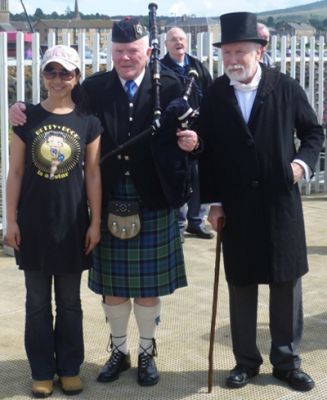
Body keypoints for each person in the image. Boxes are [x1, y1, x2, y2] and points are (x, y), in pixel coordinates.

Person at [10, 18, 199, 388]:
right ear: (111, 54)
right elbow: (56, 104)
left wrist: (196, 144)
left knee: (146, 289)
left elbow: (196, 136)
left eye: (132, 51)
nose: (126, 57)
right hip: (110, 196)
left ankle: (146, 352)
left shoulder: (174, 86)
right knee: (113, 288)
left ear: (147, 52)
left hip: (154, 195)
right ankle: (119, 351)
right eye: (118, 52)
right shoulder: (94, 87)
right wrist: (20, 107)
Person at [198, 12, 324, 392]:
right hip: (236, 204)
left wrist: (301, 165)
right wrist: (214, 202)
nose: (233, 59)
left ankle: (286, 361)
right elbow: (209, 153)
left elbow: (313, 132)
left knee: (285, 281)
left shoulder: (284, 87)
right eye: (228, 52)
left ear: (260, 51)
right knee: (241, 283)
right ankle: (246, 361)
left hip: (280, 201)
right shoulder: (216, 93)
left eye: (241, 51)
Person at [5, 45, 102, 398]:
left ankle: (70, 367)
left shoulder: (88, 120)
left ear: (77, 77)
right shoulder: (25, 118)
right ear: (43, 75)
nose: (58, 79)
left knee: (70, 302)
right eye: (51, 72)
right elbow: (15, 172)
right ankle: (42, 370)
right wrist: (10, 220)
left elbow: (92, 174)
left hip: (73, 224)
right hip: (32, 225)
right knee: (36, 303)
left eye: (66, 73)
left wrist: (95, 222)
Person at [161, 26, 214, 242]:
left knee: (200, 176)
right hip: (173, 132)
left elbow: (210, 96)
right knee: (179, 176)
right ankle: (179, 224)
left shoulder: (198, 67)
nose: (178, 42)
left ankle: (197, 221)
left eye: (181, 39)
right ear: (166, 44)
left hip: (198, 131)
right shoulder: (160, 68)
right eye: (173, 39)